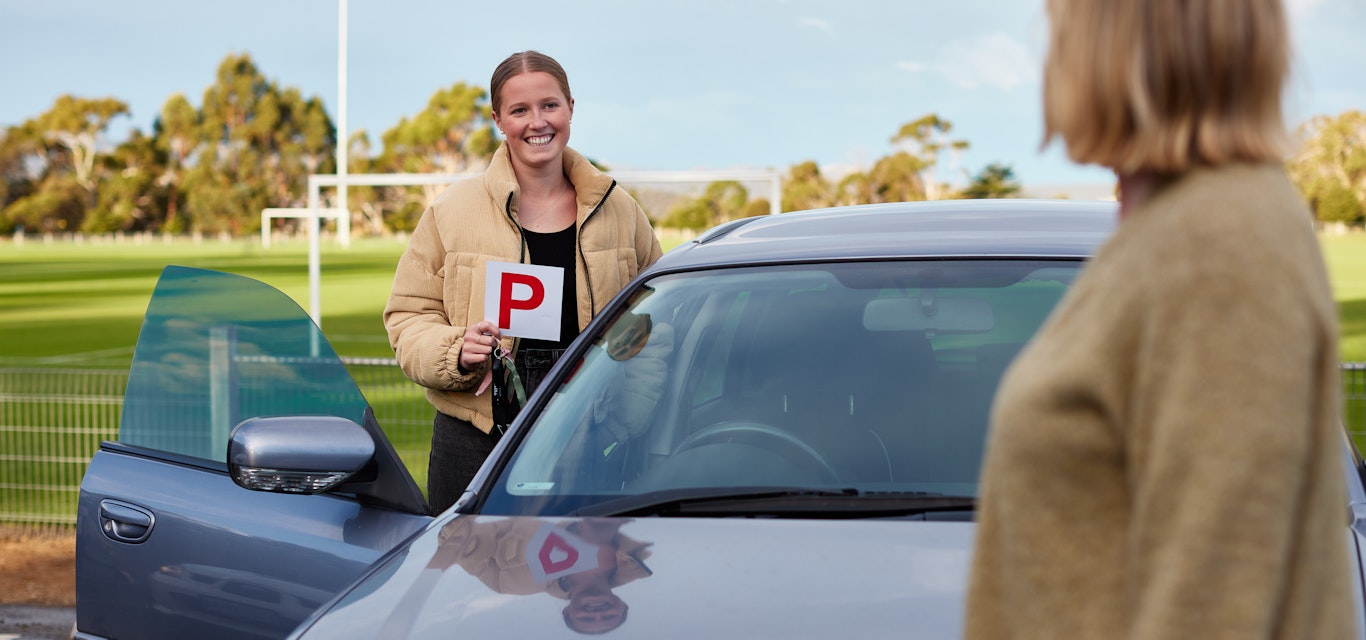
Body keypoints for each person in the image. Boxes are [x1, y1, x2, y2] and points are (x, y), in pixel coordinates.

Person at [964, 1, 1356, 638]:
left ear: (1118, 44)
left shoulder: (1219, 243)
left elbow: (1219, 596)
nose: (1048, 47)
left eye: (1063, 23)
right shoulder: (1179, 227)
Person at [384, 51, 663, 514]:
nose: (538, 122)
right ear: (498, 120)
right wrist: (455, 350)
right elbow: (408, 317)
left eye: (549, 105)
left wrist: (625, 420)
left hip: (593, 438)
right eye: (519, 110)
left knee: (580, 559)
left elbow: (657, 323)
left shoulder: (620, 210)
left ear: (570, 107)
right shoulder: (451, 211)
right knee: (467, 563)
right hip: (473, 444)